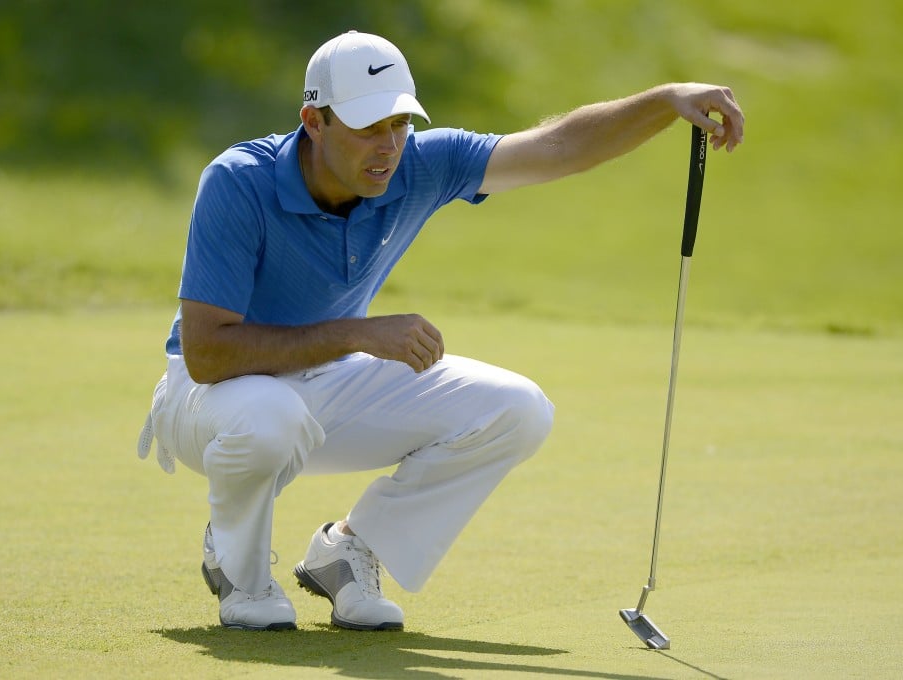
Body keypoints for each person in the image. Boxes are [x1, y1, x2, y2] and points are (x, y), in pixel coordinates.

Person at [137, 30, 744, 632]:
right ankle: (240, 571)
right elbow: (207, 353)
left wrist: (666, 100)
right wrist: (355, 334)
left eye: (400, 123)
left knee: (518, 409)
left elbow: (559, 147)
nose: (389, 146)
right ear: (314, 122)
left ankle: (348, 552)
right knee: (270, 417)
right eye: (368, 127)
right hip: (210, 399)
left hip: (323, 385)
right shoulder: (239, 181)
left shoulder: (420, 164)